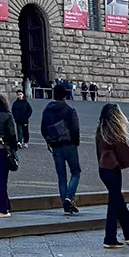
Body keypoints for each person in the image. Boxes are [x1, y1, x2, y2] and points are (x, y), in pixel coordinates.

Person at [96, 104, 129, 249]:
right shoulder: (115, 133)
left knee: (118, 200)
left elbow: (98, 152)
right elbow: (124, 152)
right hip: (112, 170)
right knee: (114, 204)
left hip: (103, 169)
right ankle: (110, 238)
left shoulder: (100, 130)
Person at [41, 81, 82, 215]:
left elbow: (43, 129)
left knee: (61, 176)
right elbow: (75, 128)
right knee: (76, 172)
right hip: (69, 145)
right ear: (65, 96)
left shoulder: (47, 110)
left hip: (56, 147)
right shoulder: (69, 110)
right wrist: (75, 142)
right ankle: (69, 197)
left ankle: (66, 205)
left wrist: (50, 141)